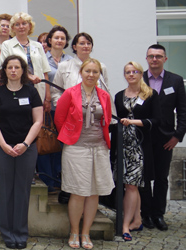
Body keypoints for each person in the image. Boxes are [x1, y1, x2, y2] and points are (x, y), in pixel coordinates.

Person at [55, 58, 113, 250]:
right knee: (78, 191)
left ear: (99, 74)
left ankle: (86, 232)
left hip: (99, 147)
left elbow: (107, 119)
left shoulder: (104, 95)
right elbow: (59, 119)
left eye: (95, 72)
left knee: (94, 192)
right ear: (81, 72)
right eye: (88, 71)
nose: (91, 75)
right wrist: (71, 134)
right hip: (76, 147)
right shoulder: (70, 93)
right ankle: (74, 231)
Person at [0, 55, 43, 249]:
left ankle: (20, 233)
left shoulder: (31, 91)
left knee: (22, 190)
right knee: (4, 190)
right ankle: (7, 233)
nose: (13, 70)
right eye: (9, 67)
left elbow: (38, 121)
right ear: (4, 70)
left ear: (22, 70)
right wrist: (3, 145)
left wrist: (25, 144)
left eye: (17, 67)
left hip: (27, 148)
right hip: (3, 148)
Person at [141, 44, 186, 231]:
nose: (154, 59)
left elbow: (183, 111)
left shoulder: (175, 81)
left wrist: (178, 136)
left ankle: (158, 214)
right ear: (146, 59)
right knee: (143, 177)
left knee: (161, 177)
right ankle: (145, 214)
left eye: (158, 56)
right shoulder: (139, 78)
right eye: (151, 56)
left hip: (166, 138)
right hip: (143, 138)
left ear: (165, 59)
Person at [115, 61, 160, 241]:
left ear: (141, 74)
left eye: (135, 71)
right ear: (124, 75)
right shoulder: (119, 96)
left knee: (132, 186)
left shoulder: (150, 94)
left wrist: (132, 122)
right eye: (128, 72)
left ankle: (125, 225)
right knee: (129, 185)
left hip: (139, 147)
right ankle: (137, 220)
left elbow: (156, 121)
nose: (131, 74)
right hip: (122, 145)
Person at [36, 25, 72, 194]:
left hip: (67, 109)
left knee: (61, 144)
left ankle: (59, 180)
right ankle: (47, 181)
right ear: (49, 40)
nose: (59, 41)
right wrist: (46, 99)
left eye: (62, 38)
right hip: (48, 106)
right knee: (45, 141)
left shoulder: (71, 61)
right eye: (56, 38)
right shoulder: (42, 58)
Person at [0, 12, 51, 114]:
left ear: (30, 26)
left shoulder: (38, 46)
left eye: (24, 23)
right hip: (17, 88)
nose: (21, 27)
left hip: (37, 89)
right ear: (13, 28)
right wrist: (28, 76)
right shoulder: (7, 45)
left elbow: (45, 71)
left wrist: (48, 98)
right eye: (17, 24)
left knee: (37, 122)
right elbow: (5, 69)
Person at [51, 33, 110, 105]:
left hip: (96, 110)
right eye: (82, 43)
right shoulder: (64, 66)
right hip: (71, 111)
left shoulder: (100, 66)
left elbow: (106, 91)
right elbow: (55, 91)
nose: (86, 46)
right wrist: (62, 105)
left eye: (88, 43)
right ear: (74, 47)